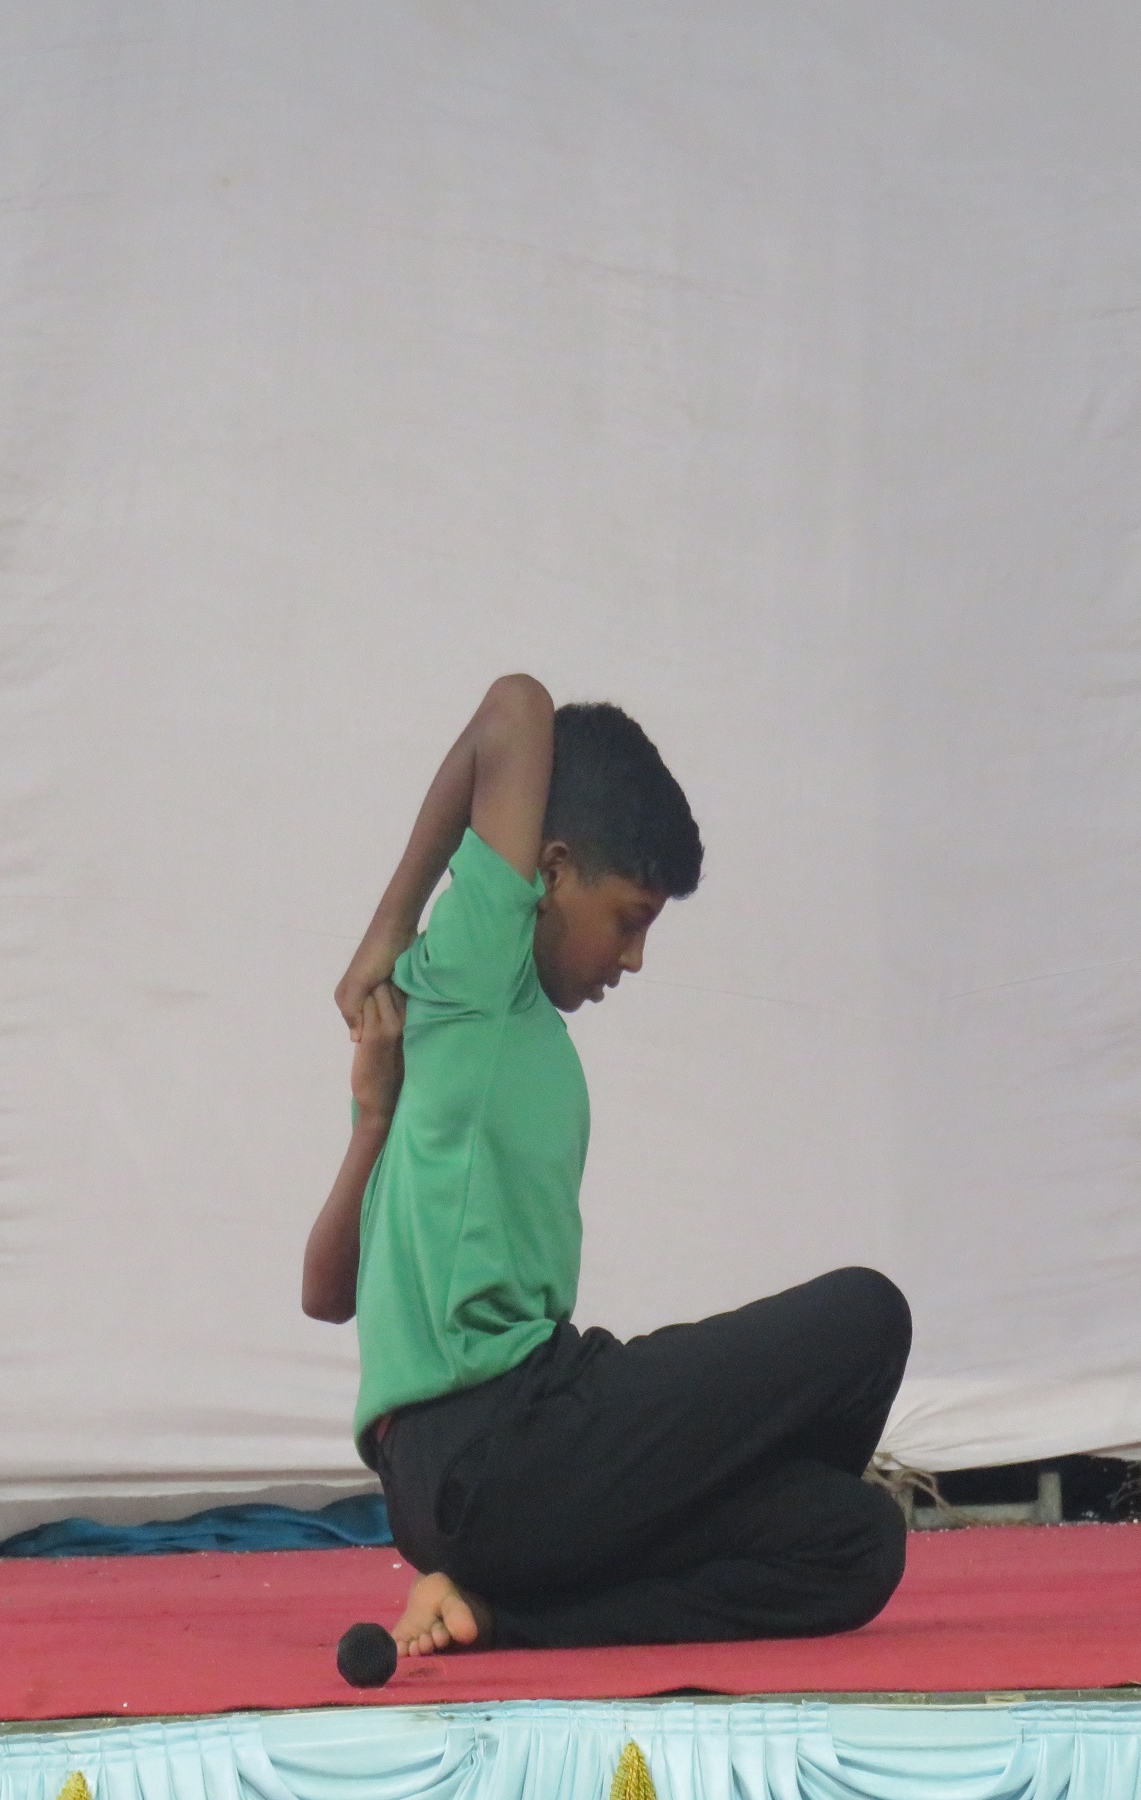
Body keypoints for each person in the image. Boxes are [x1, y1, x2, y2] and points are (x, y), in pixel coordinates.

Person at [302, 674, 910, 1655]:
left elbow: (326, 1296)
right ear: (547, 873)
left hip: (469, 1495)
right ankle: (595, 1549)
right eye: (629, 918)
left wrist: (372, 1120)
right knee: (867, 1318)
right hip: (496, 1441)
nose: (631, 960)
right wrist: (388, 928)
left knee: (853, 1538)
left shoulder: (441, 1042)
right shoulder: (473, 978)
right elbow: (516, 709)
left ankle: (501, 1613)